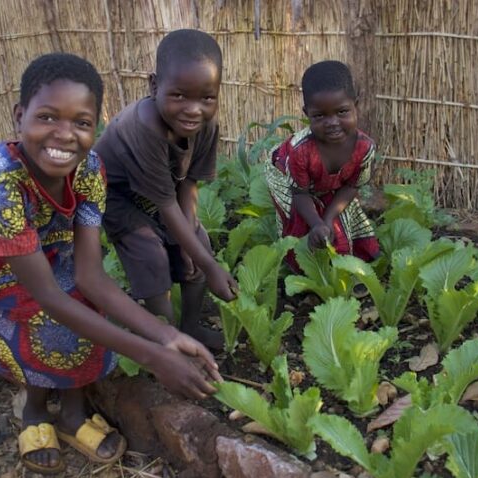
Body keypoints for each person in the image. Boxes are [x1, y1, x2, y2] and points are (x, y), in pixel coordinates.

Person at [0, 53, 221, 475]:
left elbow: (90, 275)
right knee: (38, 317)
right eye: (47, 118)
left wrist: (165, 334)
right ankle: (36, 410)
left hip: (37, 238)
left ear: (96, 125)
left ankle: (74, 411)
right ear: (19, 117)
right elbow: (45, 295)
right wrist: (153, 356)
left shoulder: (89, 169)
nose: (63, 136)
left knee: (86, 302)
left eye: (81, 123)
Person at [94, 29, 237, 351]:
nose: (193, 109)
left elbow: (188, 185)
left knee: (196, 243)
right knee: (151, 254)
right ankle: (166, 342)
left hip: (161, 193)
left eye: (207, 98)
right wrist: (212, 268)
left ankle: (191, 328)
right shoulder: (144, 127)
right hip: (115, 194)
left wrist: (196, 251)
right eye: (179, 96)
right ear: (154, 85)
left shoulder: (206, 127)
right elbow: (165, 203)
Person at [265, 60, 380, 269]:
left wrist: (327, 218)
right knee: (301, 221)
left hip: (327, 183)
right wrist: (317, 223)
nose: (332, 123)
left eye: (342, 112)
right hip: (284, 176)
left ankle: (346, 265)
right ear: (306, 113)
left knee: (338, 217)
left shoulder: (364, 148)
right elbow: (299, 194)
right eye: (319, 116)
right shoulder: (300, 151)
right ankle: (305, 271)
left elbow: (351, 187)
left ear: (356, 104)